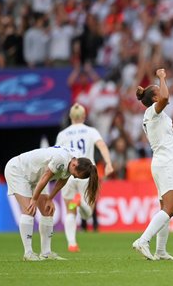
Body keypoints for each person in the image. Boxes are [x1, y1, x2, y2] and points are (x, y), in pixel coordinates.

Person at [4, 145, 98, 261]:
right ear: (74, 165)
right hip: (18, 171)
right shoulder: (61, 159)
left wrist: (50, 199)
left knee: (47, 211)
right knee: (29, 210)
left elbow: (63, 180)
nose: (73, 176)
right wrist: (34, 199)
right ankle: (28, 253)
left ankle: (46, 253)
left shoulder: (75, 160)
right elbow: (45, 177)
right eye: (75, 174)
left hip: (37, 177)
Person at [132, 68, 173, 261]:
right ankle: (143, 241)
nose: (162, 91)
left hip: (163, 163)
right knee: (171, 208)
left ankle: (160, 251)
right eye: (158, 91)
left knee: (165, 208)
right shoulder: (152, 112)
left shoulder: (155, 115)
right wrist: (161, 77)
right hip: (165, 164)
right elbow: (165, 98)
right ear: (154, 99)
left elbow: (164, 98)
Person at [56, 103, 114, 252]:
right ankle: (80, 202)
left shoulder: (63, 134)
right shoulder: (91, 131)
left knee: (70, 211)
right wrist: (108, 163)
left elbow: (56, 154)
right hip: (87, 174)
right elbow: (101, 145)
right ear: (84, 116)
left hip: (68, 175)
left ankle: (72, 244)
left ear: (70, 117)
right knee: (87, 213)